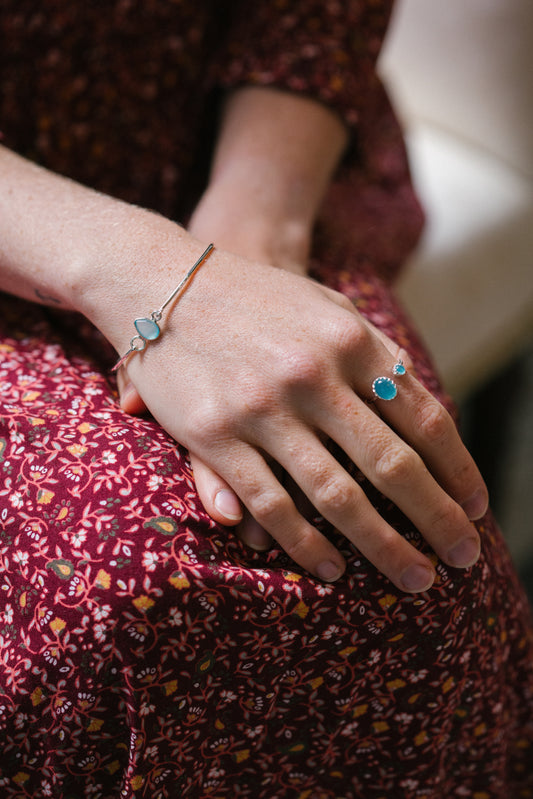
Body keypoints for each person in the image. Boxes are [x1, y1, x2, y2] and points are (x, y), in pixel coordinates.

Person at [0, 2, 531, 797]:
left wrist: (257, 223)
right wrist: (154, 277)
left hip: (241, 137)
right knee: (120, 604)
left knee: (404, 565)